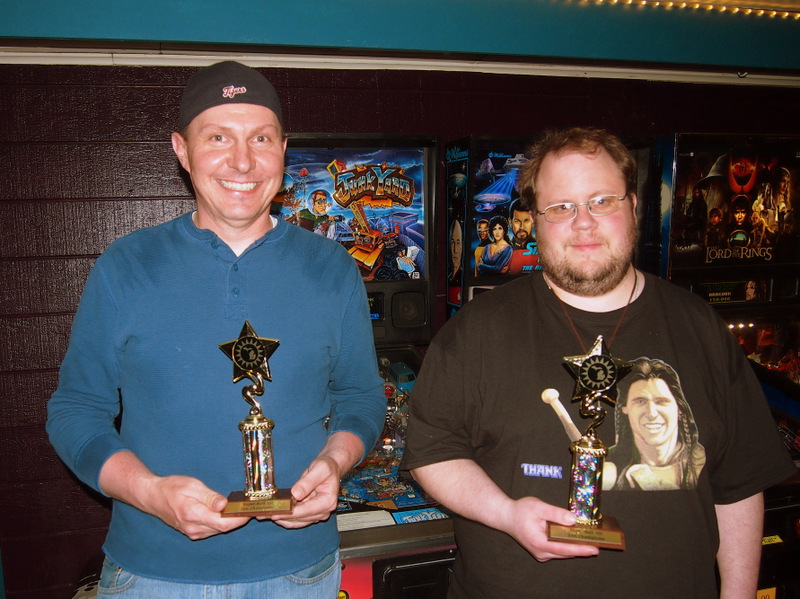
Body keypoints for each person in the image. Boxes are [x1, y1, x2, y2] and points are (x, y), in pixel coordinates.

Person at [402, 127, 795, 598]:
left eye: (602, 201)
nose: (582, 223)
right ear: (534, 220)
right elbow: (432, 453)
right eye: (561, 207)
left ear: (633, 206)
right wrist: (506, 513)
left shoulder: (701, 327)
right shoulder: (476, 330)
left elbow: (739, 483)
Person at [46, 61, 386, 597]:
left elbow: (361, 397)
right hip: (152, 573)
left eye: (260, 138)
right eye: (218, 137)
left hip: (301, 573)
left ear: (283, 149)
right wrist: (152, 493)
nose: (243, 161)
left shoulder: (333, 268)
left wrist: (335, 463)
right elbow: (74, 413)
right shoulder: (126, 266)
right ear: (181, 149)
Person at [604, 358, 706, 491]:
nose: (651, 413)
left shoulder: (701, 463)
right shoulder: (609, 467)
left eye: (661, 401)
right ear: (625, 408)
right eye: (640, 401)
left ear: (679, 408)